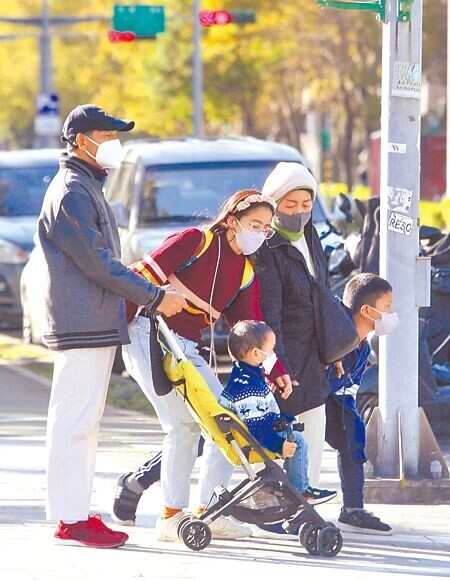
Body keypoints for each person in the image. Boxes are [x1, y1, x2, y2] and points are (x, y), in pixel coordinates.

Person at [34, 104, 186, 549]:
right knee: (75, 421)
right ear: (81, 139)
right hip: (81, 322)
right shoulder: (72, 191)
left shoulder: (84, 185)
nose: (114, 143)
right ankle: (71, 517)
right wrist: (155, 296)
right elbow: (99, 264)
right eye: (107, 134)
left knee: (80, 420)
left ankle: (73, 512)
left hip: (90, 320)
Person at [113, 190, 293, 541]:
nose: (259, 233)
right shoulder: (196, 240)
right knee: (182, 425)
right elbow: (139, 280)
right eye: (254, 224)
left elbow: (251, 331)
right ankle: (171, 516)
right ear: (232, 221)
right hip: (148, 334)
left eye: (266, 228)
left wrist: (275, 370)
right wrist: (111, 337)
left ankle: (212, 512)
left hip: (187, 349)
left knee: (227, 422)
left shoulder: (244, 272)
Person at [255, 162, 331, 487]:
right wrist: (277, 364)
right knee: (280, 439)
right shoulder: (266, 247)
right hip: (283, 357)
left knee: (314, 429)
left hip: (313, 356)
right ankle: (275, 500)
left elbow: (323, 295)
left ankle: (304, 501)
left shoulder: (311, 237)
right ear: (273, 204)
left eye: (306, 204)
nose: (299, 212)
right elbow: (269, 314)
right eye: (289, 205)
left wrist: (334, 349)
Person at [219, 320, 337, 508]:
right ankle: (299, 490)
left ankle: (295, 488)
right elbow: (257, 425)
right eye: (271, 349)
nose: (273, 355)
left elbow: (261, 414)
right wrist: (279, 444)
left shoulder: (247, 377)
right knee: (297, 441)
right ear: (256, 354)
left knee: (294, 434)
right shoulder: (249, 388)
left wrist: (283, 420)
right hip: (253, 440)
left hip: (250, 435)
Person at [325, 273, 396, 535]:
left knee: (353, 433)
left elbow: (349, 386)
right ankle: (291, 505)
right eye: (387, 307)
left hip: (338, 398)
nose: (392, 313)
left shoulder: (364, 348)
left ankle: (353, 509)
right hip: (308, 398)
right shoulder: (332, 334)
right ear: (367, 310)